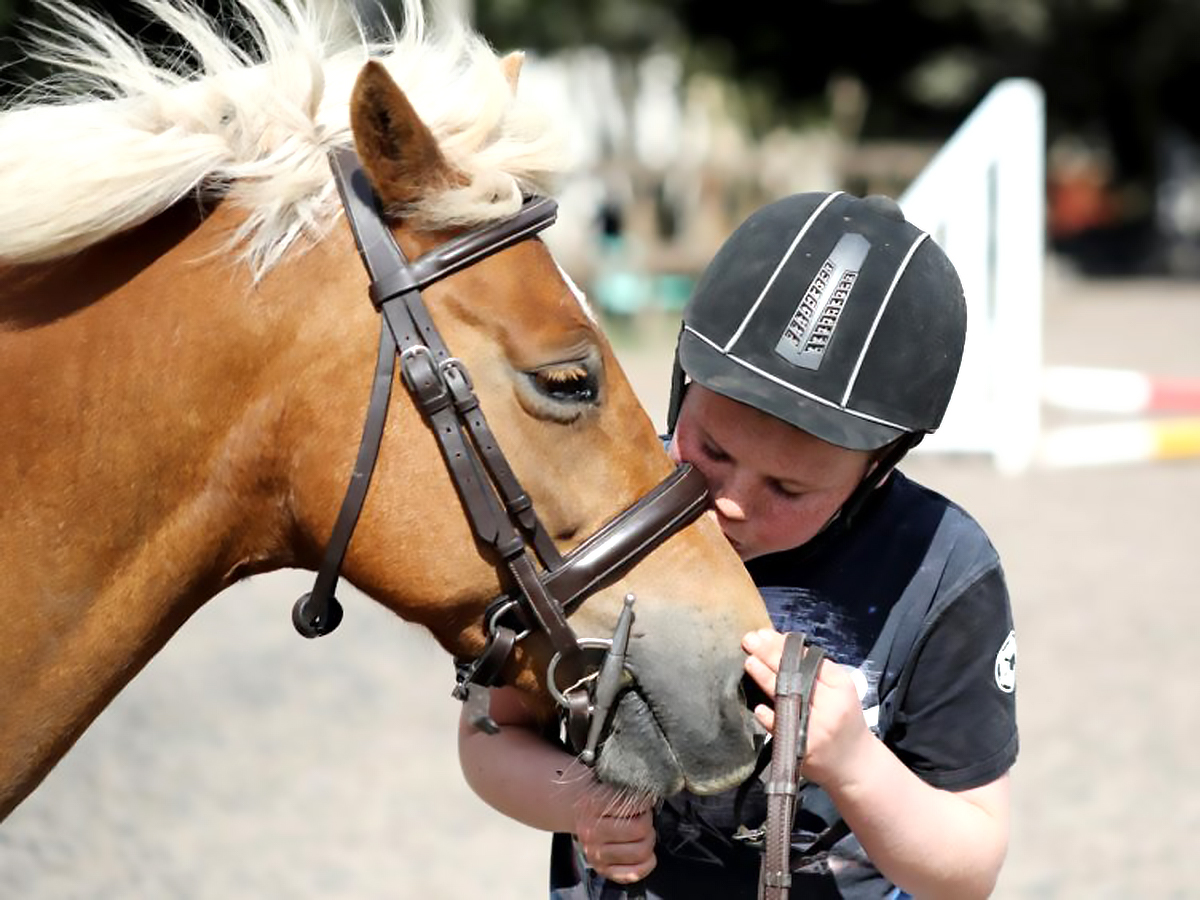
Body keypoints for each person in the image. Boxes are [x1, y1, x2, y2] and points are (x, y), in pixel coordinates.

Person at [458, 191, 1018, 899]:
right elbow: (487, 736)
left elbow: (968, 869)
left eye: (789, 490)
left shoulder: (943, 570)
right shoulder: (592, 509)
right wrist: (579, 802)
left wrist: (853, 765)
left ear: (882, 463)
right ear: (680, 383)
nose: (734, 501)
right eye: (711, 450)